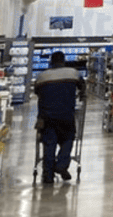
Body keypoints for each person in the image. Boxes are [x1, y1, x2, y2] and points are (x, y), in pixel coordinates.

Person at [33, 51, 85, 184]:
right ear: (64, 61)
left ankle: (48, 175)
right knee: (68, 138)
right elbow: (82, 88)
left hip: (46, 117)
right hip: (66, 116)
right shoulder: (73, 73)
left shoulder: (42, 76)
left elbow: (37, 92)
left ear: (51, 62)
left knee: (49, 144)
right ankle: (61, 165)